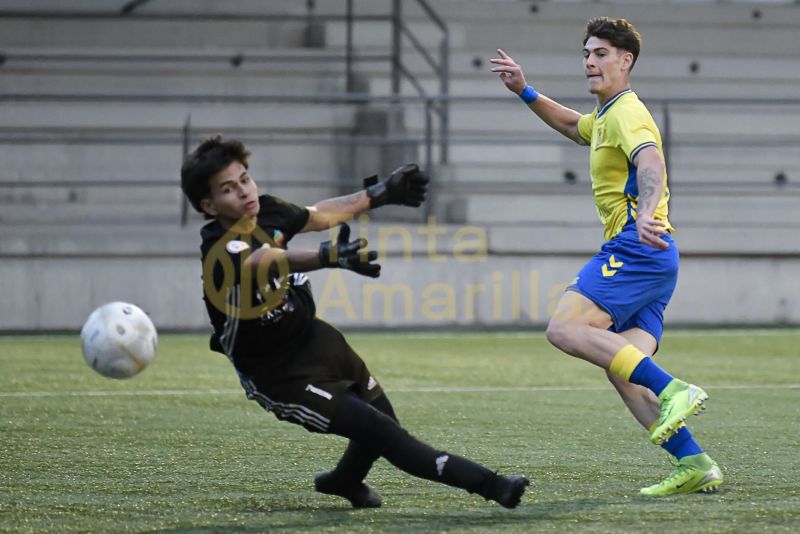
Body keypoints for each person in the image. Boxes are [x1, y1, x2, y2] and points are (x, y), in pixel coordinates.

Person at [180, 135, 529, 509]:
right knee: (382, 433)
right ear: (208, 204)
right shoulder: (218, 245)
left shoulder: (269, 211)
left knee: (384, 421)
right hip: (278, 374)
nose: (244, 192)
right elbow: (259, 260)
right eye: (228, 189)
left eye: (245, 179)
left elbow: (317, 215)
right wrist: (324, 257)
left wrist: (378, 195)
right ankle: (493, 486)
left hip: (317, 339)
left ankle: (344, 480)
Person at [491, 17, 723, 495]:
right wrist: (525, 91)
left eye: (600, 54)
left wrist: (648, 213)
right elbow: (574, 126)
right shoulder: (605, 116)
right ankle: (694, 462)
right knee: (622, 369)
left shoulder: (627, 113)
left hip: (636, 248)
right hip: (657, 257)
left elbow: (652, 162)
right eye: (586, 54)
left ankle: (674, 388)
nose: (590, 62)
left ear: (625, 60)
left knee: (565, 328)